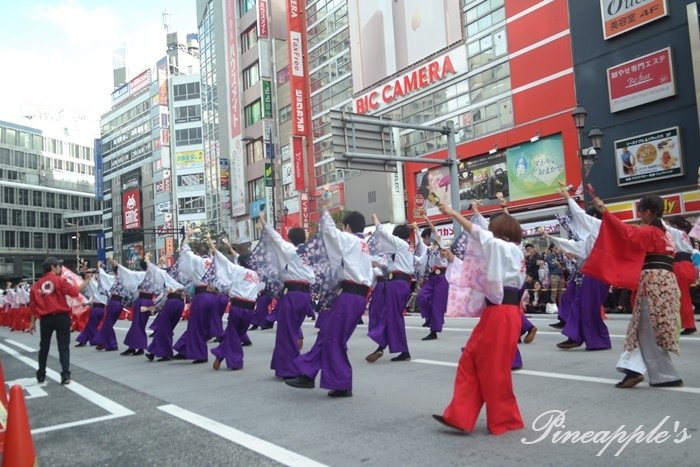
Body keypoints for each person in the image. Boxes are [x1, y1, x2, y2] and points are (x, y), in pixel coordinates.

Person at [432, 201, 525, 435]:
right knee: (470, 359)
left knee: (493, 369)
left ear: (500, 233)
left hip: (502, 313)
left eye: (494, 230)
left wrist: (454, 214)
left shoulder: (508, 249)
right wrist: (453, 258)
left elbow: (482, 236)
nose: (490, 234)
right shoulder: (506, 251)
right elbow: (480, 255)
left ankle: (506, 419)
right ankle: (460, 415)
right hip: (496, 313)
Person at [585, 194, 682, 388]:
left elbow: (625, 232)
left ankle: (660, 374)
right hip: (666, 281)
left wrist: (604, 211)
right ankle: (636, 369)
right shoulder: (665, 233)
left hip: (654, 284)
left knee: (646, 329)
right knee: (646, 329)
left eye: (640, 211)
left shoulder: (650, 231)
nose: (639, 215)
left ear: (647, 212)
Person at [285, 205, 373, 398]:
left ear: (347, 226)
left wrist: (324, 210)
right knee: (327, 336)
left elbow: (329, 232)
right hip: (356, 295)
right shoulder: (364, 244)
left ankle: (342, 384)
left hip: (348, 294)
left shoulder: (349, 239)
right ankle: (307, 374)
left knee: (334, 339)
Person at [542, 184, 611, 351]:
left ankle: (598, 340)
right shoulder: (592, 236)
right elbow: (576, 246)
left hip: (597, 273)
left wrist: (567, 197)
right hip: (590, 272)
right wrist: (551, 237)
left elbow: (580, 216)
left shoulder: (600, 226)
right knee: (579, 304)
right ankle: (575, 335)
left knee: (588, 307)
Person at [255, 213, 315, 378]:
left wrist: (263, 221)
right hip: (305, 295)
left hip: (293, 293)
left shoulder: (290, 250)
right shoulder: (310, 253)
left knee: (286, 332)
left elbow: (275, 237)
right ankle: (282, 365)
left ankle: (290, 369)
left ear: (289, 238)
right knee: (292, 330)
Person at [29, 257, 90, 385]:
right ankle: (65, 374)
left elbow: (33, 306)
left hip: (46, 319)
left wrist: (32, 322)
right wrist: (87, 280)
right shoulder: (60, 281)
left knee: (44, 346)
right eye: (58, 266)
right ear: (52, 267)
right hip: (61, 317)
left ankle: (41, 374)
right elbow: (74, 292)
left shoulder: (36, 285)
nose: (60, 269)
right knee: (63, 346)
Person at [365, 214, 414, 362]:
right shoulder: (404, 249)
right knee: (390, 315)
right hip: (399, 283)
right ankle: (382, 347)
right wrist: (379, 265)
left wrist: (375, 220)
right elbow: (389, 266)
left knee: (392, 316)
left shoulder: (400, 244)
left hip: (397, 284)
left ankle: (396, 349)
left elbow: (383, 234)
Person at [210, 239, 263, 371]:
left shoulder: (238, 270)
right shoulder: (257, 275)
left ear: (240, 262)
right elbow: (261, 289)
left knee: (233, 334)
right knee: (238, 334)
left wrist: (214, 249)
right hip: (250, 308)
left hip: (238, 305)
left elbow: (224, 263)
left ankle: (227, 357)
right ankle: (226, 356)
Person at [172, 229, 222, 364]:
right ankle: (183, 348)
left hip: (202, 295)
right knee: (205, 325)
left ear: (199, 253)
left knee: (196, 326)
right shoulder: (215, 262)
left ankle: (200, 354)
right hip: (215, 296)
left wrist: (187, 236)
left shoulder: (197, 260)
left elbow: (185, 252)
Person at [415, 215, 449, 341]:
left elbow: (435, 231)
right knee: (421, 297)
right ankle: (430, 318)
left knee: (437, 305)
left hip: (441, 277)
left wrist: (428, 221)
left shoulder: (441, 244)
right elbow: (421, 261)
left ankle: (433, 331)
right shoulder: (428, 249)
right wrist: (410, 258)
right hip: (431, 277)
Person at [665, 216, 696, 335]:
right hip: (688, 265)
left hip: (680, 266)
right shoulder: (685, 235)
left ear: (675, 225)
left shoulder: (675, 232)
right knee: (683, 296)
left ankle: (688, 324)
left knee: (681, 297)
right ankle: (684, 322)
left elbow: (661, 224)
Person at [75, 266, 108, 347]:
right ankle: (84, 340)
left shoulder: (96, 284)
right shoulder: (102, 285)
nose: (88, 274)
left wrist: (89, 278)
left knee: (92, 325)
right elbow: (93, 296)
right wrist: (87, 303)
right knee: (91, 325)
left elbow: (93, 294)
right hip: (99, 308)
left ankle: (93, 340)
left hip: (99, 308)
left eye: (90, 273)